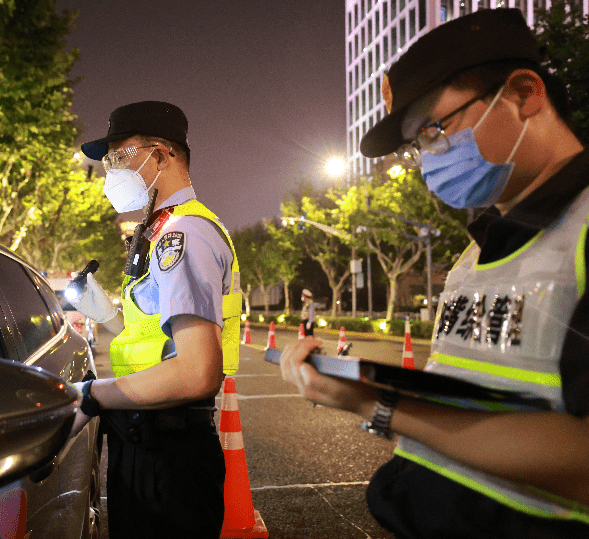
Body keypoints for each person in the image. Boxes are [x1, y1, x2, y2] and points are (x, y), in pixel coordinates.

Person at [280, 9, 589, 538]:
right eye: (417, 143)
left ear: (524, 92)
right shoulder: (479, 252)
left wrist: (379, 404)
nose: (427, 159)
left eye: (435, 128)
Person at [68, 101, 241, 538]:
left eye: (119, 158)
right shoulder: (160, 231)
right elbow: (149, 336)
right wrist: (101, 311)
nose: (110, 173)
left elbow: (197, 371)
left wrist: (91, 394)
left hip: (170, 452)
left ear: (162, 154)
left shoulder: (185, 234)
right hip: (146, 439)